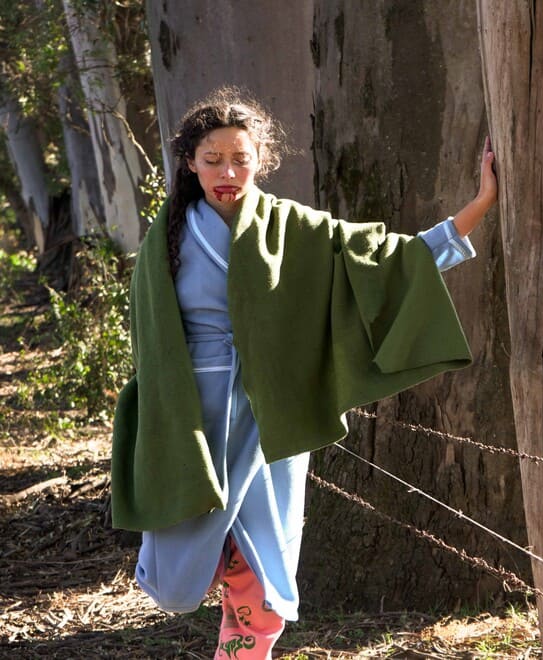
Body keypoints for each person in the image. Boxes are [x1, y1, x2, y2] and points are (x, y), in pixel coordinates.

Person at [111, 87, 496, 659]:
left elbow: (387, 263)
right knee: (176, 578)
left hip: (271, 417)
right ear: (189, 162)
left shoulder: (293, 228)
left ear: (260, 161)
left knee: (264, 581)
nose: (227, 173)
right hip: (191, 420)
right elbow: (151, 351)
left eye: (240, 159)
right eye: (212, 159)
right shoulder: (164, 238)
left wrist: (482, 202)